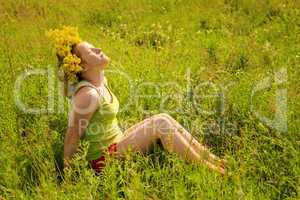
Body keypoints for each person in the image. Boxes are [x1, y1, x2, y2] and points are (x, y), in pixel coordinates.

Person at [62, 41, 226, 175]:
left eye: (94, 46)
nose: (98, 49)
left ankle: (215, 161)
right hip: (101, 161)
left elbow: (67, 85)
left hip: (117, 143)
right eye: (91, 51)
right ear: (83, 67)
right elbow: (72, 136)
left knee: (163, 117)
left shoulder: (100, 80)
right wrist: (69, 175)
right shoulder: (88, 95)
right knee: (161, 124)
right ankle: (215, 173)